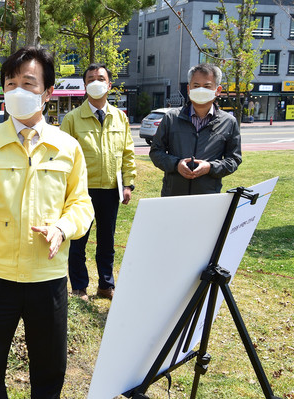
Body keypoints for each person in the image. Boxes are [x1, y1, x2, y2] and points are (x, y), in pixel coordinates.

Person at [0, 47, 94, 398]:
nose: (18, 92)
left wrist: (62, 228)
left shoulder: (67, 147)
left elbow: (82, 204)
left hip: (48, 274)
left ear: (47, 92)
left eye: (28, 84)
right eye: (11, 83)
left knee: (50, 367)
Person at [60, 63, 136, 301]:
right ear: (84, 85)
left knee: (107, 242)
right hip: (82, 191)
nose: (96, 82)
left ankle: (106, 285)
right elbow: (62, 157)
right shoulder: (72, 119)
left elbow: (127, 153)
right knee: (78, 241)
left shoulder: (120, 118)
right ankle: (79, 287)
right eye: (91, 78)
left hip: (110, 190)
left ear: (109, 85)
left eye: (100, 78)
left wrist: (128, 184)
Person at [149, 63, 242, 196]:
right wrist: (176, 165)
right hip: (173, 195)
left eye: (207, 86)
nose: (201, 90)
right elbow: (156, 152)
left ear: (218, 90)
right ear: (188, 88)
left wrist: (210, 167)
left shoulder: (228, 122)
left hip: (208, 196)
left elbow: (233, 159)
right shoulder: (171, 118)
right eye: (196, 86)